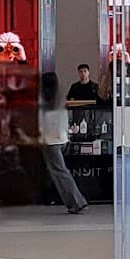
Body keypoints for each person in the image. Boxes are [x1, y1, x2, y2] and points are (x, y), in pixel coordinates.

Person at [39, 70, 87, 214]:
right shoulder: (59, 100)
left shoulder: (43, 103)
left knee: (60, 173)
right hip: (62, 139)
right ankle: (73, 202)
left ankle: (77, 201)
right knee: (60, 171)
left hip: (50, 141)